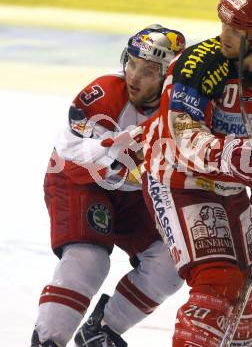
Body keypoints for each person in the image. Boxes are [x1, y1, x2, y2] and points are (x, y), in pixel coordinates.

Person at [141, 0, 252, 346]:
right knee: (218, 278)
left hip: (228, 183)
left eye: (237, 30)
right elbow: (181, 133)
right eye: (225, 25)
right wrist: (231, 156)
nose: (225, 35)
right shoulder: (198, 64)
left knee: (251, 280)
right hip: (177, 178)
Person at [31, 25, 186, 347]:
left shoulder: (185, 110)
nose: (134, 76)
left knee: (171, 264)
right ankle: (48, 341)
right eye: (132, 63)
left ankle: (102, 330)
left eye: (148, 71)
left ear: (169, 77)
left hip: (135, 193)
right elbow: (70, 153)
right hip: (80, 182)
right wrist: (114, 149)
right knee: (88, 259)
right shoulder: (102, 94)